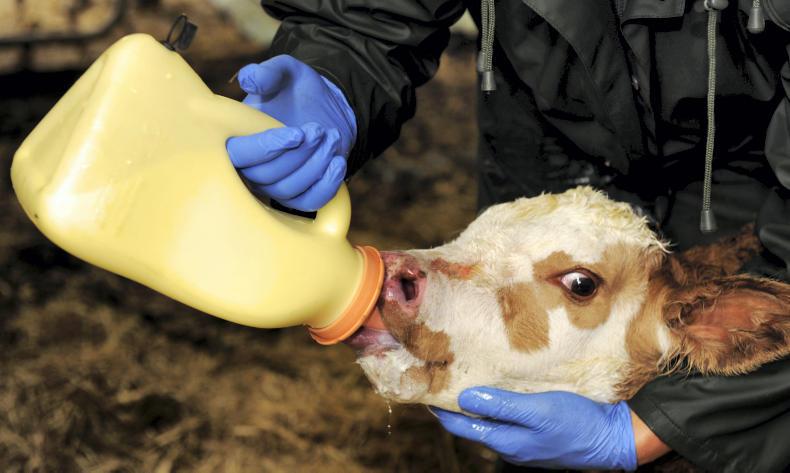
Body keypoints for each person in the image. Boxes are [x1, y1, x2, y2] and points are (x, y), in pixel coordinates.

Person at [225, 1, 790, 471]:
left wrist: (659, 428)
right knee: (527, 431)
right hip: (543, 167)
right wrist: (333, 75)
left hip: (752, 172)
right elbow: (367, 13)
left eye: (579, 283)